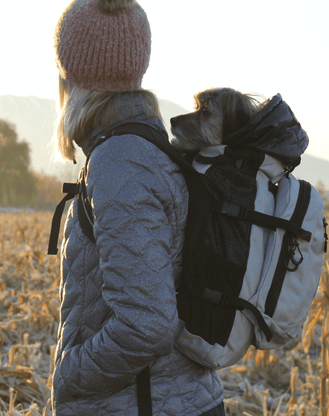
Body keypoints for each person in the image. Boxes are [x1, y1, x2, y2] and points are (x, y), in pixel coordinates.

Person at [51, 0, 225, 415]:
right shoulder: (146, 147)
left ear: (70, 74)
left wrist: (69, 374)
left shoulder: (121, 163)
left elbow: (146, 327)